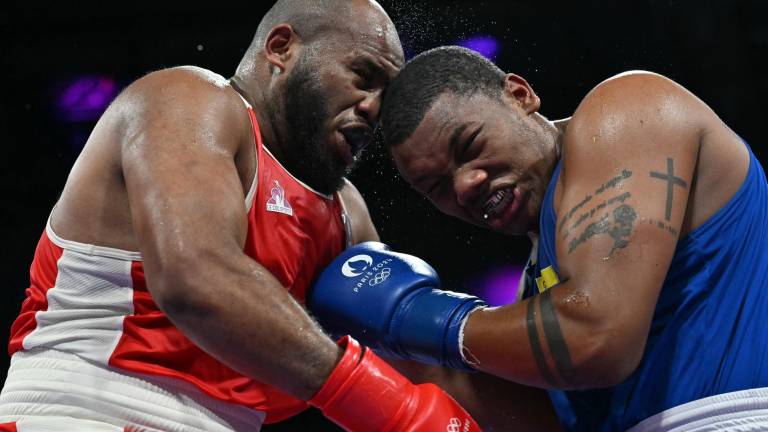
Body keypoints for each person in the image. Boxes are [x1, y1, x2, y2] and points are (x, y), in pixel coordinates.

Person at [0, 4, 486, 431]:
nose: (373, 107)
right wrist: (391, 409)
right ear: (281, 47)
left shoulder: (344, 211)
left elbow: (418, 359)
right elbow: (195, 279)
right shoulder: (188, 101)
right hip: (86, 409)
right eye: (363, 76)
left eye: (386, 93)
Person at [309, 46, 768, 431]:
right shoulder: (540, 286)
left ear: (519, 94)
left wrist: (418, 316)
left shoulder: (630, 112)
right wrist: (386, 343)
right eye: (436, 187)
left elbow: (597, 337)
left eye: (470, 146)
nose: (465, 185)